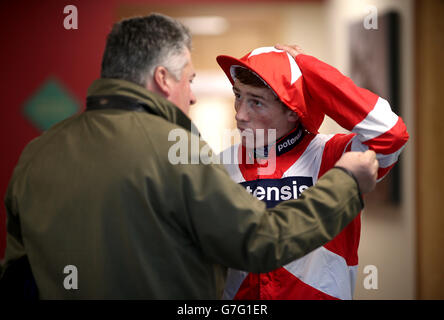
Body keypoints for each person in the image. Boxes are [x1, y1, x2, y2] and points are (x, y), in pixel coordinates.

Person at [0, 14, 378, 299]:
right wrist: (345, 185)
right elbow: (260, 241)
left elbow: (16, 272)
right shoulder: (177, 150)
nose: (193, 95)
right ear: (164, 79)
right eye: (190, 80)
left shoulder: (37, 153)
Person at [217, 45, 409, 300]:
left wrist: (310, 68)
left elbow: (391, 133)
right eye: (238, 96)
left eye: (256, 102)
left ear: (292, 112)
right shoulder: (218, 165)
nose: (240, 115)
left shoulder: (334, 155)